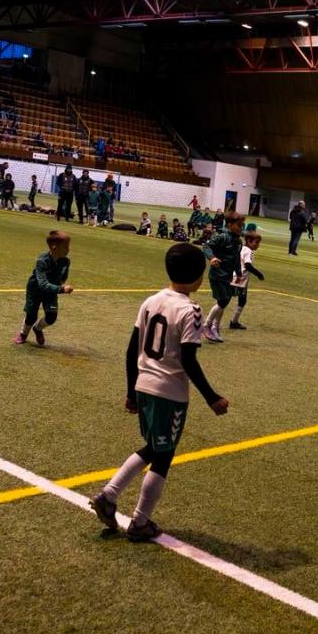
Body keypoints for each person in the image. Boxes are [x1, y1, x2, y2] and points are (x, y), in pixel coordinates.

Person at [87, 242, 228, 542]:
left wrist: (131, 391)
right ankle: (139, 521)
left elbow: (131, 350)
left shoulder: (151, 301)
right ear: (199, 277)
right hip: (169, 392)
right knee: (163, 456)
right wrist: (212, 397)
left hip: (144, 386)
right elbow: (188, 359)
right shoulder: (190, 310)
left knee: (153, 448)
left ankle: (109, 496)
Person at [13, 231, 73, 347]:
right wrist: (62, 289)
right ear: (54, 247)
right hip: (35, 290)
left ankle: (38, 328)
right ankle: (23, 334)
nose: (68, 249)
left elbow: (63, 275)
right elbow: (43, 284)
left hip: (51, 291)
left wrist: (61, 283)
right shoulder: (42, 261)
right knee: (31, 316)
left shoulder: (66, 261)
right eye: (65, 246)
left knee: (51, 317)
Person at [202, 212, 245, 342]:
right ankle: (206, 325)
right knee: (223, 301)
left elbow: (236, 258)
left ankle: (215, 328)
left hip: (228, 276)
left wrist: (238, 273)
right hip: (217, 275)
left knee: (224, 301)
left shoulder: (238, 241)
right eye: (239, 225)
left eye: (242, 225)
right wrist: (212, 257)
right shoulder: (222, 237)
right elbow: (206, 246)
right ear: (230, 225)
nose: (241, 228)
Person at [228, 231, 265, 331]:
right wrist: (259, 274)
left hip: (235, 277)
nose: (258, 245)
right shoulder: (249, 251)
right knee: (236, 301)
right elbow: (248, 265)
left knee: (231, 300)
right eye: (256, 242)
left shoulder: (242, 248)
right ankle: (231, 322)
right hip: (239, 280)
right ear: (249, 241)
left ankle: (233, 322)